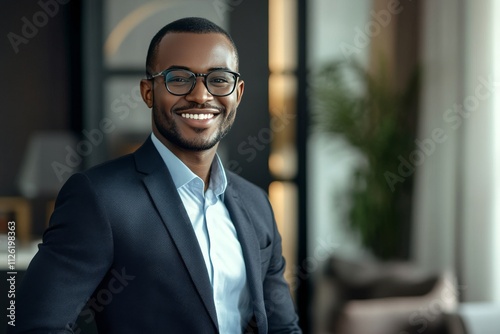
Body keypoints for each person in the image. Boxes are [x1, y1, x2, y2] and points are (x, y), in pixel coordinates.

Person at [11, 17, 301, 334]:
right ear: (148, 92)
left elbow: (282, 327)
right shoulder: (99, 198)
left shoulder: (256, 203)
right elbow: (35, 325)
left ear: (238, 93)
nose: (201, 95)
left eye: (219, 79)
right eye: (179, 79)